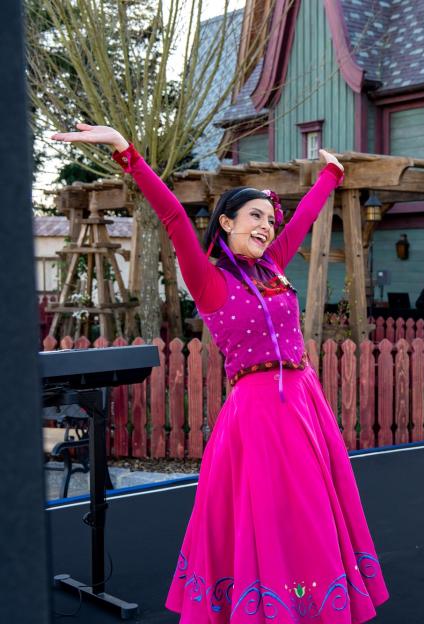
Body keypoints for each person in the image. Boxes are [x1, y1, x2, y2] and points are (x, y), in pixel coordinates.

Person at [52, 124, 388, 623]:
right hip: (258, 410)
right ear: (226, 223)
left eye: (270, 221)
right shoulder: (209, 280)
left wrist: (331, 177)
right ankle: (268, 607)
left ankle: (309, 602)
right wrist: (126, 149)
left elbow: (308, 217)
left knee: (311, 512)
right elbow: (169, 213)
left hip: (303, 400)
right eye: (255, 217)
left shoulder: (272, 266)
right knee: (270, 514)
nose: (267, 227)